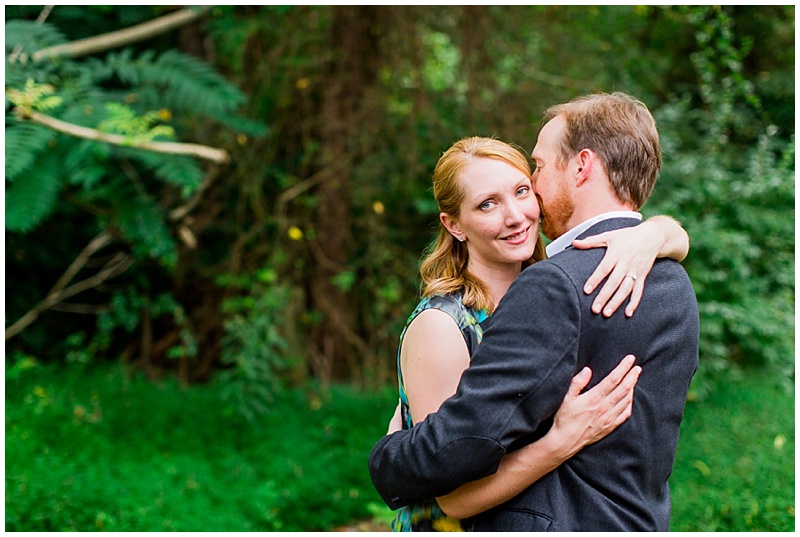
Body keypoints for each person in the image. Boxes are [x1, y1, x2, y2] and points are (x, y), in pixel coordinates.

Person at [369, 92, 700, 532]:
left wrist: (656, 234)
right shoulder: (445, 323)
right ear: (453, 224)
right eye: (487, 203)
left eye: (528, 182)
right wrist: (559, 443)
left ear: (581, 167)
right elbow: (449, 487)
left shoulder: (557, 286)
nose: (519, 212)